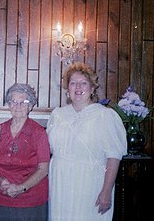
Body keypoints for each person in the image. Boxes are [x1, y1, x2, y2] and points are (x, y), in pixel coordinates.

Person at [46, 62, 127, 220]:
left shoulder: (105, 116)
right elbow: (47, 149)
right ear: (67, 88)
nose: (78, 87)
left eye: (84, 83)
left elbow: (114, 156)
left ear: (92, 88)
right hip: (60, 183)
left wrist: (106, 191)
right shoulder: (58, 114)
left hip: (90, 183)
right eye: (73, 83)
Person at [0, 83, 50, 221]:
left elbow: (43, 169)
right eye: (14, 101)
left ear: (30, 106)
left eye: (23, 102)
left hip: (30, 200)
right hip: (1, 197)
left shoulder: (38, 133)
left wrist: (21, 188)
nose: (18, 106)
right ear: (8, 105)